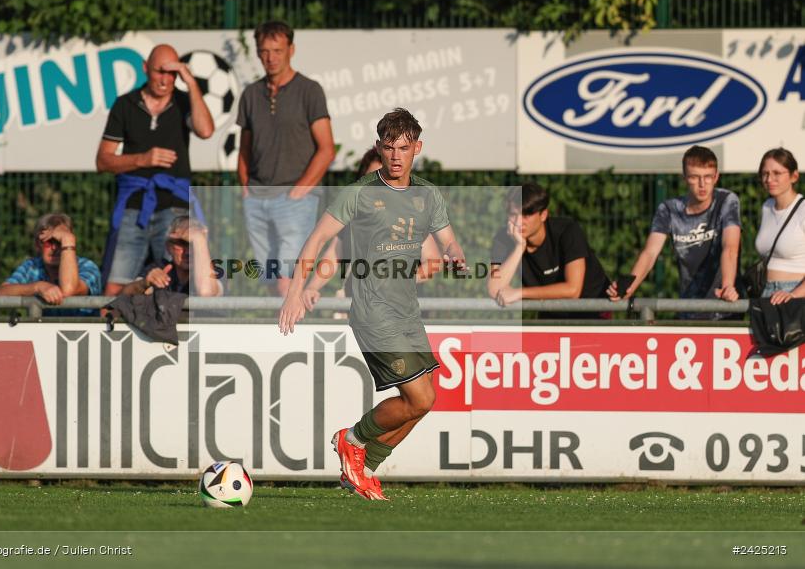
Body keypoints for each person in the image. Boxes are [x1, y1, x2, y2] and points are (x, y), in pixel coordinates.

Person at [279, 108, 466, 501]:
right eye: (388, 147)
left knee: (423, 403)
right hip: (372, 310)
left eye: (404, 148)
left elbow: (448, 239)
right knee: (420, 397)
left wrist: (454, 252)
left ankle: (362, 466)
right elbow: (317, 241)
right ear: (379, 148)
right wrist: (297, 290)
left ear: (418, 148)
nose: (396, 155)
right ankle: (352, 440)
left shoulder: (427, 194)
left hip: (407, 312)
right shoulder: (360, 193)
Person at [96, 44, 215, 298]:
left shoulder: (184, 102)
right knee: (115, 286)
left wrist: (191, 82)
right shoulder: (125, 104)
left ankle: (175, 333)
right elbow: (103, 161)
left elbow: (205, 131)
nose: (166, 79)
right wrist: (143, 159)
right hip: (133, 207)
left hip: (174, 207)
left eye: (173, 74)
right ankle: (112, 333)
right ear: (145, 68)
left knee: (177, 280)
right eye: (160, 71)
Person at [237, 20, 335, 297]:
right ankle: (281, 335)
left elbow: (327, 148)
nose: (271, 57)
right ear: (257, 53)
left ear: (291, 50)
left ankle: (292, 337)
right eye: (265, 51)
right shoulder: (250, 94)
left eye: (277, 50)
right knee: (270, 280)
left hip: (295, 199)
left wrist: (299, 191)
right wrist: (245, 189)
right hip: (257, 197)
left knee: (287, 279)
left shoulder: (309, 90)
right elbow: (244, 149)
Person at [301, 147, 442, 312]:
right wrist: (312, 287)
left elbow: (433, 262)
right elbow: (332, 257)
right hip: (359, 312)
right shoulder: (352, 218)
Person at [607, 145, 742, 317]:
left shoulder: (726, 200)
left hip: (725, 308)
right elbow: (650, 253)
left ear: (716, 177)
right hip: (689, 309)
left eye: (708, 177)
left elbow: (730, 247)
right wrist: (628, 287)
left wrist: (728, 286)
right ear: (685, 178)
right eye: (695, 177)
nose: (702, 184)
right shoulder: (669, 209)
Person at [486, 183, 610, 317]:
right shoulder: (503, 239)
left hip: (593, 311)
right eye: (513, 215)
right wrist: (518, 248)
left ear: (543, 215)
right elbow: (494, 289)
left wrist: (520, 293)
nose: (518, 222)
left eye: (526, 215)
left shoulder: (568, 231)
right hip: (551, 311)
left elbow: (573, 290)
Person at [0, 213, 102, 316]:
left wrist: (67, 238)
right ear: (38, 245)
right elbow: (0, 294)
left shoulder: (87, 266)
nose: (54, 248)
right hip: (44, 333)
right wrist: (37, 287)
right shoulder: (32, 266)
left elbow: (68, 289)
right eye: (49, 242)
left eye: (60, 242)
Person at [120, 215, 223, 297]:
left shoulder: (215, 269)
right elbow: (124, 295)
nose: (188, 252)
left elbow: (206, 292)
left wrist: (199, 237)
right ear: (168, 247)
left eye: (193, 244)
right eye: (181, 243)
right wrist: (145, 283)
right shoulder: (161, 269)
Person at [754, 148, 805, 304]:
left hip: (795, 294)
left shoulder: (803, 209)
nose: (769, 179)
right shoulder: (766, 207)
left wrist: (794, 294)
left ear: (794, 176)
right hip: (766, 293)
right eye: (765, 173)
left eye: (777, 173)